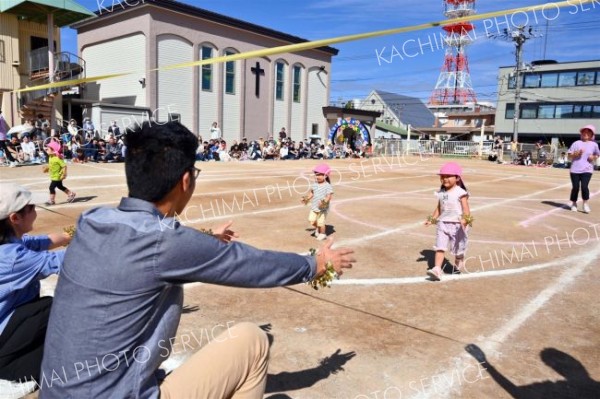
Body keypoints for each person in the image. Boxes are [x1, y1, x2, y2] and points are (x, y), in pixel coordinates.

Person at [39, 121, 355, 399]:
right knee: (253, 341)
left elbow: (152, 244)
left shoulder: (93, 220)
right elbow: (248, 264)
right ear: (186, 180)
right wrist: (316, 264)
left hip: (57, 391)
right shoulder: (163, 242)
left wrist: (205, 239)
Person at [0, 183, 71, 383]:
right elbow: (64, 260)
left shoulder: (9, 242)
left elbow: (46, 241)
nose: (35, 210)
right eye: (30, 208)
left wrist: (73, 233)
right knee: (55, 310)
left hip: (8, 320)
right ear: (15, 218)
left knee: (45, 312)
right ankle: (9, 374)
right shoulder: (12, 258)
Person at [424, 162, 471, 281]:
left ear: (457, 178)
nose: (444, 179)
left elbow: (466, 209)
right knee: (440, 247)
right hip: (443, 224)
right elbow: (439, 208)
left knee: (458, 250)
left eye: (448, 176)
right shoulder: (442, 193)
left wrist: (466, 220)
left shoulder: (460, 192)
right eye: (442, 176)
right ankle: (437, 269)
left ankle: (459, 259)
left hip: (458, 226)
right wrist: (431, 219)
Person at [567, 124, 600, 213]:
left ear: (592, 134)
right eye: (584, 132)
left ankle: (585, 204)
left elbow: (597, 154)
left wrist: (593, 157)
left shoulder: (594, 144)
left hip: (587, 170)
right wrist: (575, 154)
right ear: (581, 133)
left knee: (585, 187)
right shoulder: (576, 143)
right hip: (575, 170)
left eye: (588, 132)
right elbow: (569, 156)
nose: (586, 133)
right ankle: (574, 203)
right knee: (575, 187)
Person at [302, 163, 334, 241]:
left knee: (321, 222)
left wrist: (324, 202)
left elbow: (329, 196)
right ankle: (318, 229)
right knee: (311, 220)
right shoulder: (315, 184)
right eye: (316, 174)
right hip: (314, 206)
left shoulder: (327, 186)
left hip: (323, 208)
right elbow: (311, 193)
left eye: (320, 175)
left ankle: (322, 234)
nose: (317, 176)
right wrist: (306, 199)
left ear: (326, 176)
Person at [42, 141, 76, 206]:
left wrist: (64, 173)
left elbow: (64, 166)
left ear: (53, 150)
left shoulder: (57, 158)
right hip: (53, 175)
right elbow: (51, 165)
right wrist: (48, 168)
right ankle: (71, 194)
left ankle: (51, 200)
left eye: (48, 148)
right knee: (60, 186)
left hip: (58, 176)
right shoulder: (50, 157)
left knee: (51, 187)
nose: (46, 149)